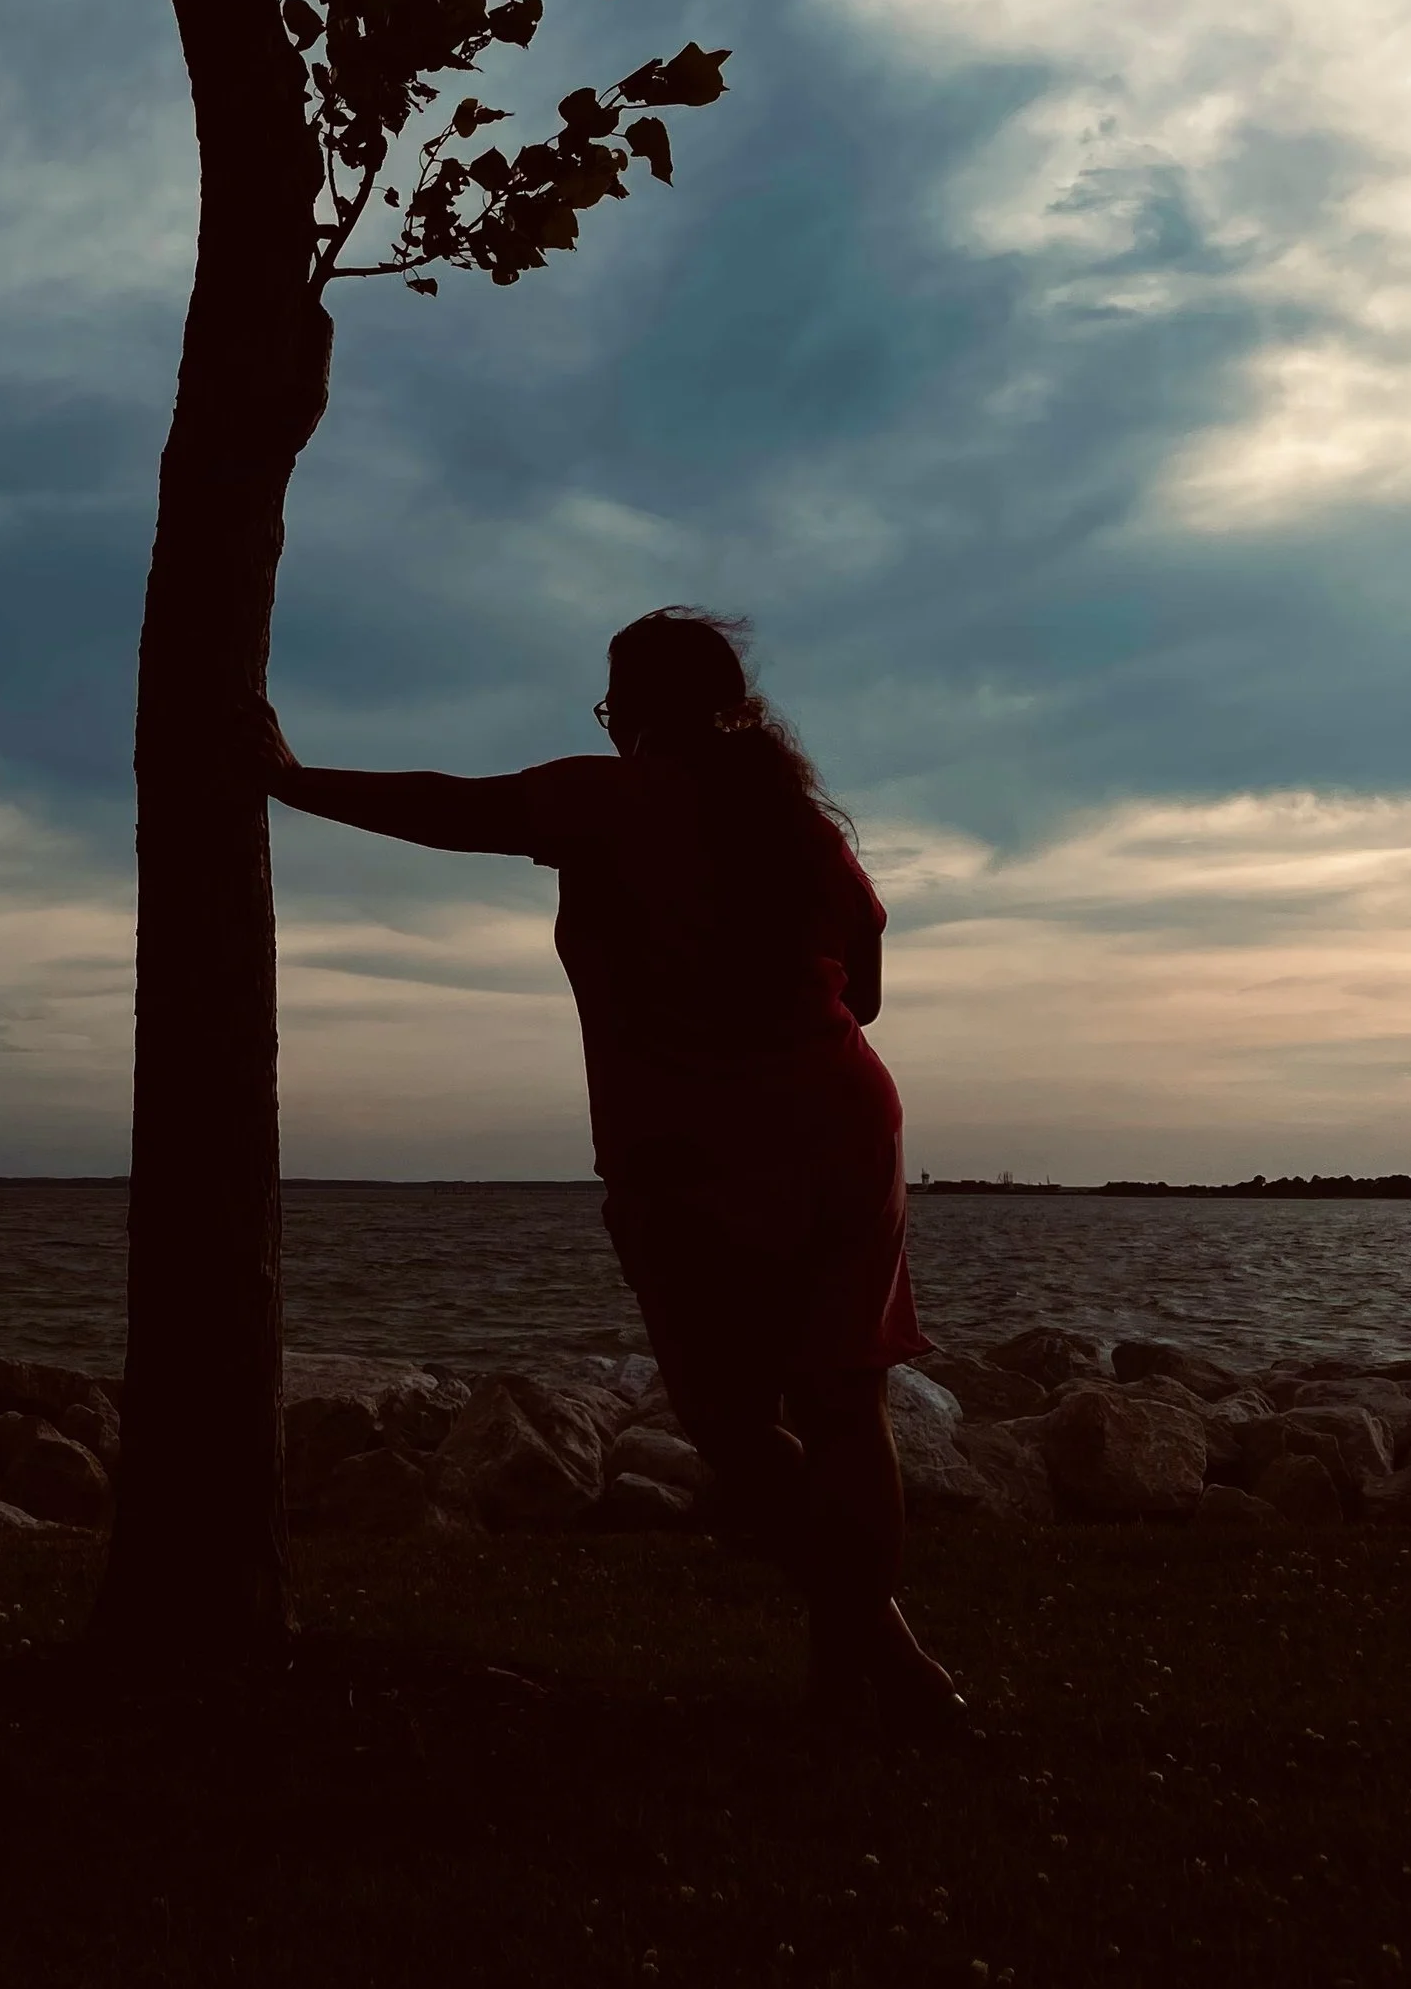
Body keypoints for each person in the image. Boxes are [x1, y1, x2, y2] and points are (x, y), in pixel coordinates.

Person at [259, 604, 964, 1733]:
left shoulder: (609, 798)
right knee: (844, 1410)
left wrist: (292, 782)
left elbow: (451, 807)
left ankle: (884, 1654)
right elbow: (863, 987)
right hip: (840, 1129)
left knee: (729, 1421)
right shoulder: (800, 830)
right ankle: (866, 1668)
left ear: (630, 710)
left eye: (611, 701)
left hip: (690, 1154)